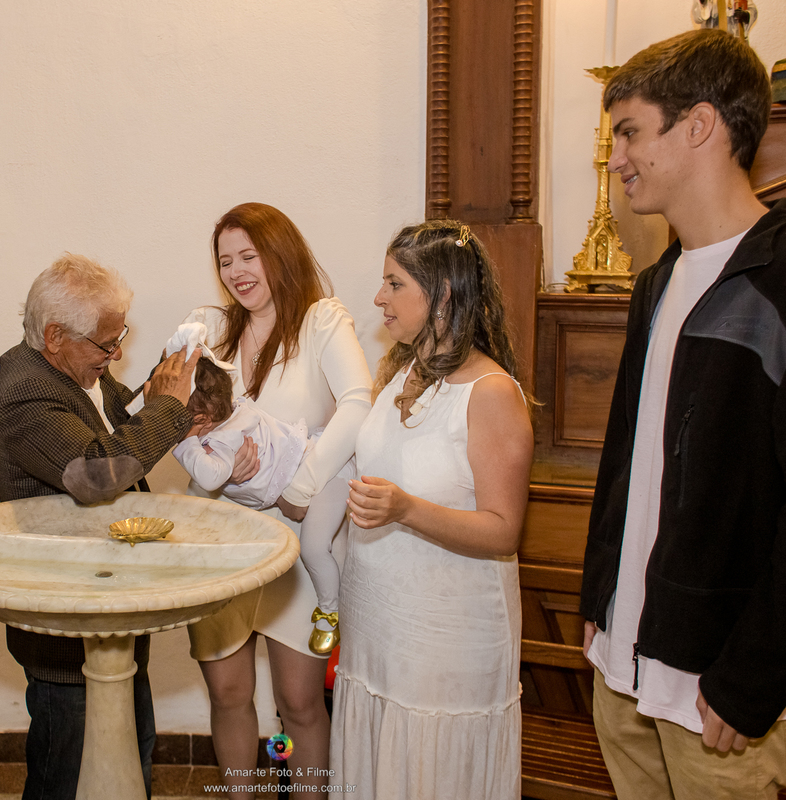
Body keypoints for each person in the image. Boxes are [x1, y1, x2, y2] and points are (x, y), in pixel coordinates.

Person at [579, 29, 786, 800]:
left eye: (630, 132)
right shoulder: (656, 282)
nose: (616, 158)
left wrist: (754, 679)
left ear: (701, 126)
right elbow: (626, 461)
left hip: (717, 693)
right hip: (624, 669)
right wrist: (599, 604)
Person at [0, 253, 203, 800]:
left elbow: (120, 431)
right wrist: (168, 412)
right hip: (66, 634)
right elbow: (94, 472)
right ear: (55, 336)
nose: (116, 353)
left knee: (132, 758)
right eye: (106, 344)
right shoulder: (23, 394)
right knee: (69, 778)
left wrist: (163, 403)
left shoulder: (77, 372)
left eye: (119, 337)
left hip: (108, 619)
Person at [330, 220, 532, 799]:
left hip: (443, 641)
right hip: (378, 623)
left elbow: (502, 531)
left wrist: (404, 509)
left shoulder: (489, 392)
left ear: (441, 292)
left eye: (394, 284)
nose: (378, 298)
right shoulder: (400, 369)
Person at [181, 203, 372, 800]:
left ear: (279, 253)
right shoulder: (211, 329)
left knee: (298, 702)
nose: (237, 272)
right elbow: (179, 409)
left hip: (296, 540)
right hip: (221, 540)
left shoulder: (321, 320)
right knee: (229, 694)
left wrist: (300, 487)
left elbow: (359, 403)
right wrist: (195, 438)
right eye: (225, 261)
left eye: (249, 255)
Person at [172, 347, 351, 653]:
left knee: (314, 548)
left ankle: (329, 612)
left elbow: (210, 476)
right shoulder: (233, 408)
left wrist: (184, 442)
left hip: (328, 476)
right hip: (308, 470)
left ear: (199, 418)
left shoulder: (225, 438)